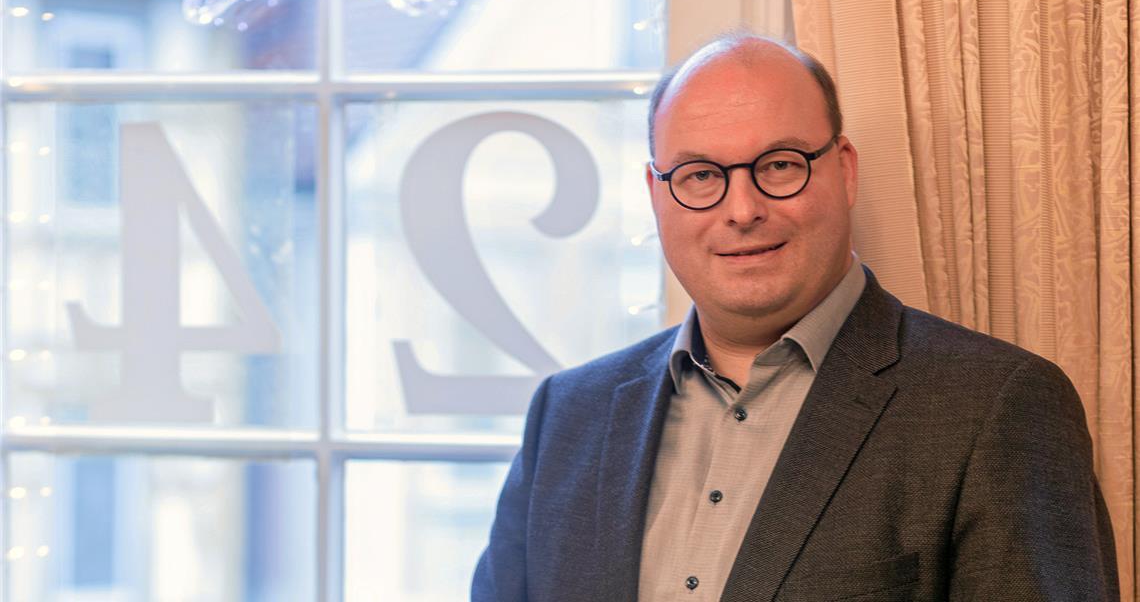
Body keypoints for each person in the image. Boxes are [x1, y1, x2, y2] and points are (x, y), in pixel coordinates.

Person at [471, 34, 1119, 601]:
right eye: (700, 175)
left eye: (779, 165)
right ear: (656, 194)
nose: (743, 208)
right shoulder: (567, 416)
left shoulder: (994, 409)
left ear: (843, 171)